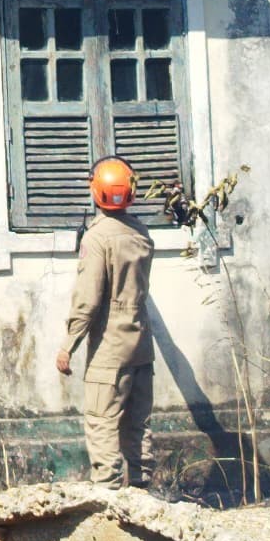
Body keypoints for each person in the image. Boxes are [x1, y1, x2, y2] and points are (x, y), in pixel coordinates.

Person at [55, 156, 156, 488]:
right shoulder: (141, 234)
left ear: (95, 190)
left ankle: (108, 504)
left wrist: (68, 345)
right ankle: (144, 496)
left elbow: (88, 299)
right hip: (141, 347)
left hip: (109, 352)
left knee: (101, 424)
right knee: (137, 426)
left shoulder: (97, 239)